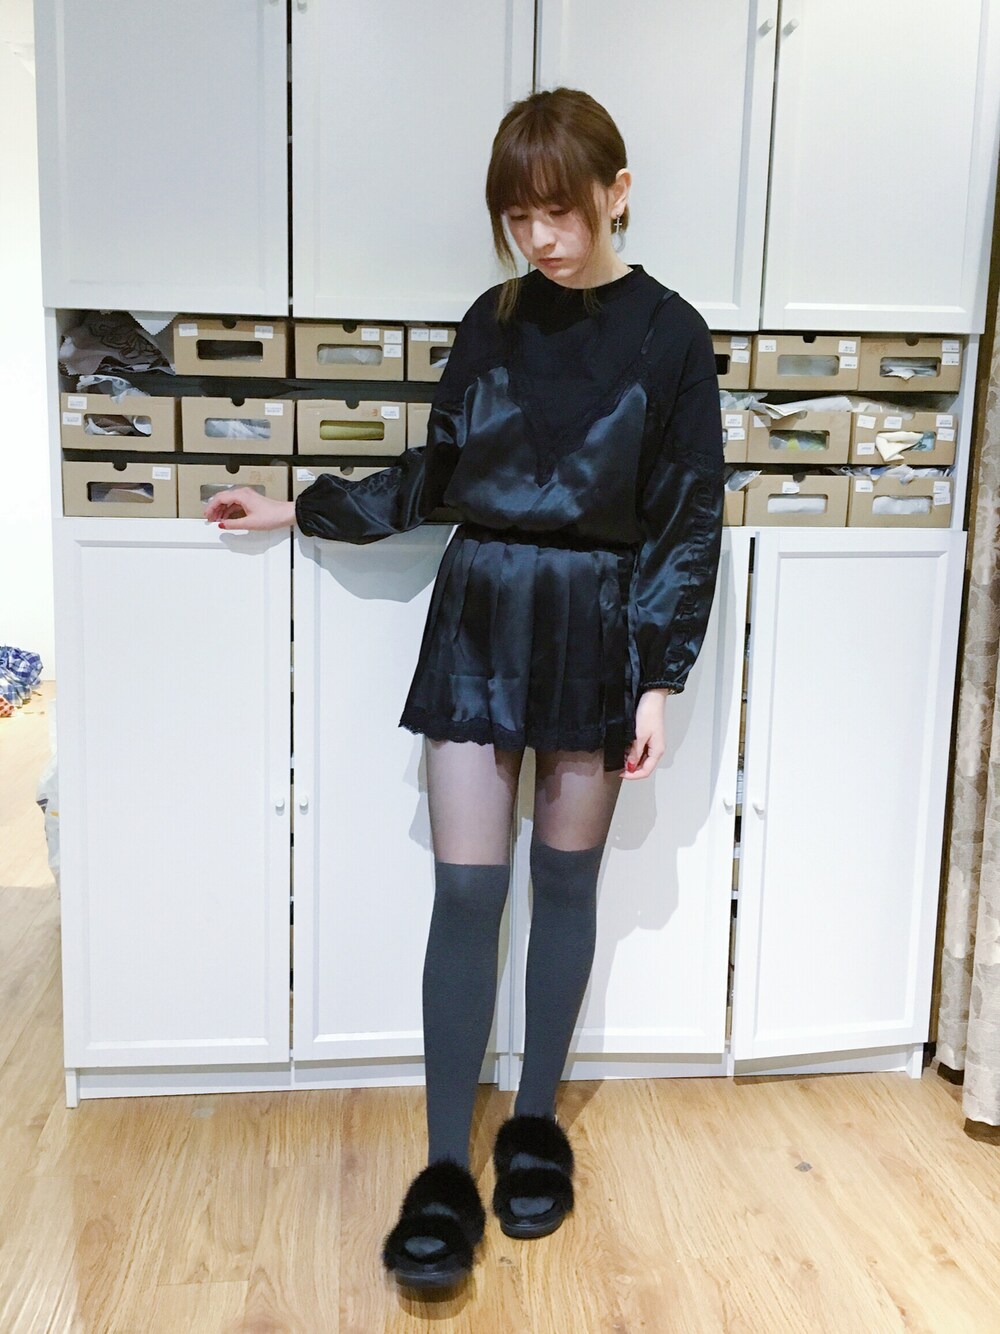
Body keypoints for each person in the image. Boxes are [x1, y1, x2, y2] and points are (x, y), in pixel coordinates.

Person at [204, 87, 724, 1292]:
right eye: (518, 217)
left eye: (559, 211)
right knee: (467, 893)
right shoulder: (490, 321)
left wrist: (659, 677)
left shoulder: (672, 334)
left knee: (566, 881)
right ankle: (445, 1168)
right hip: (482, 613)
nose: (540, 238)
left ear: (616, 193)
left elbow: (686, 518)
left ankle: (531, 1126)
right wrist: (295, 506)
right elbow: (434, 471)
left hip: (599, 622)